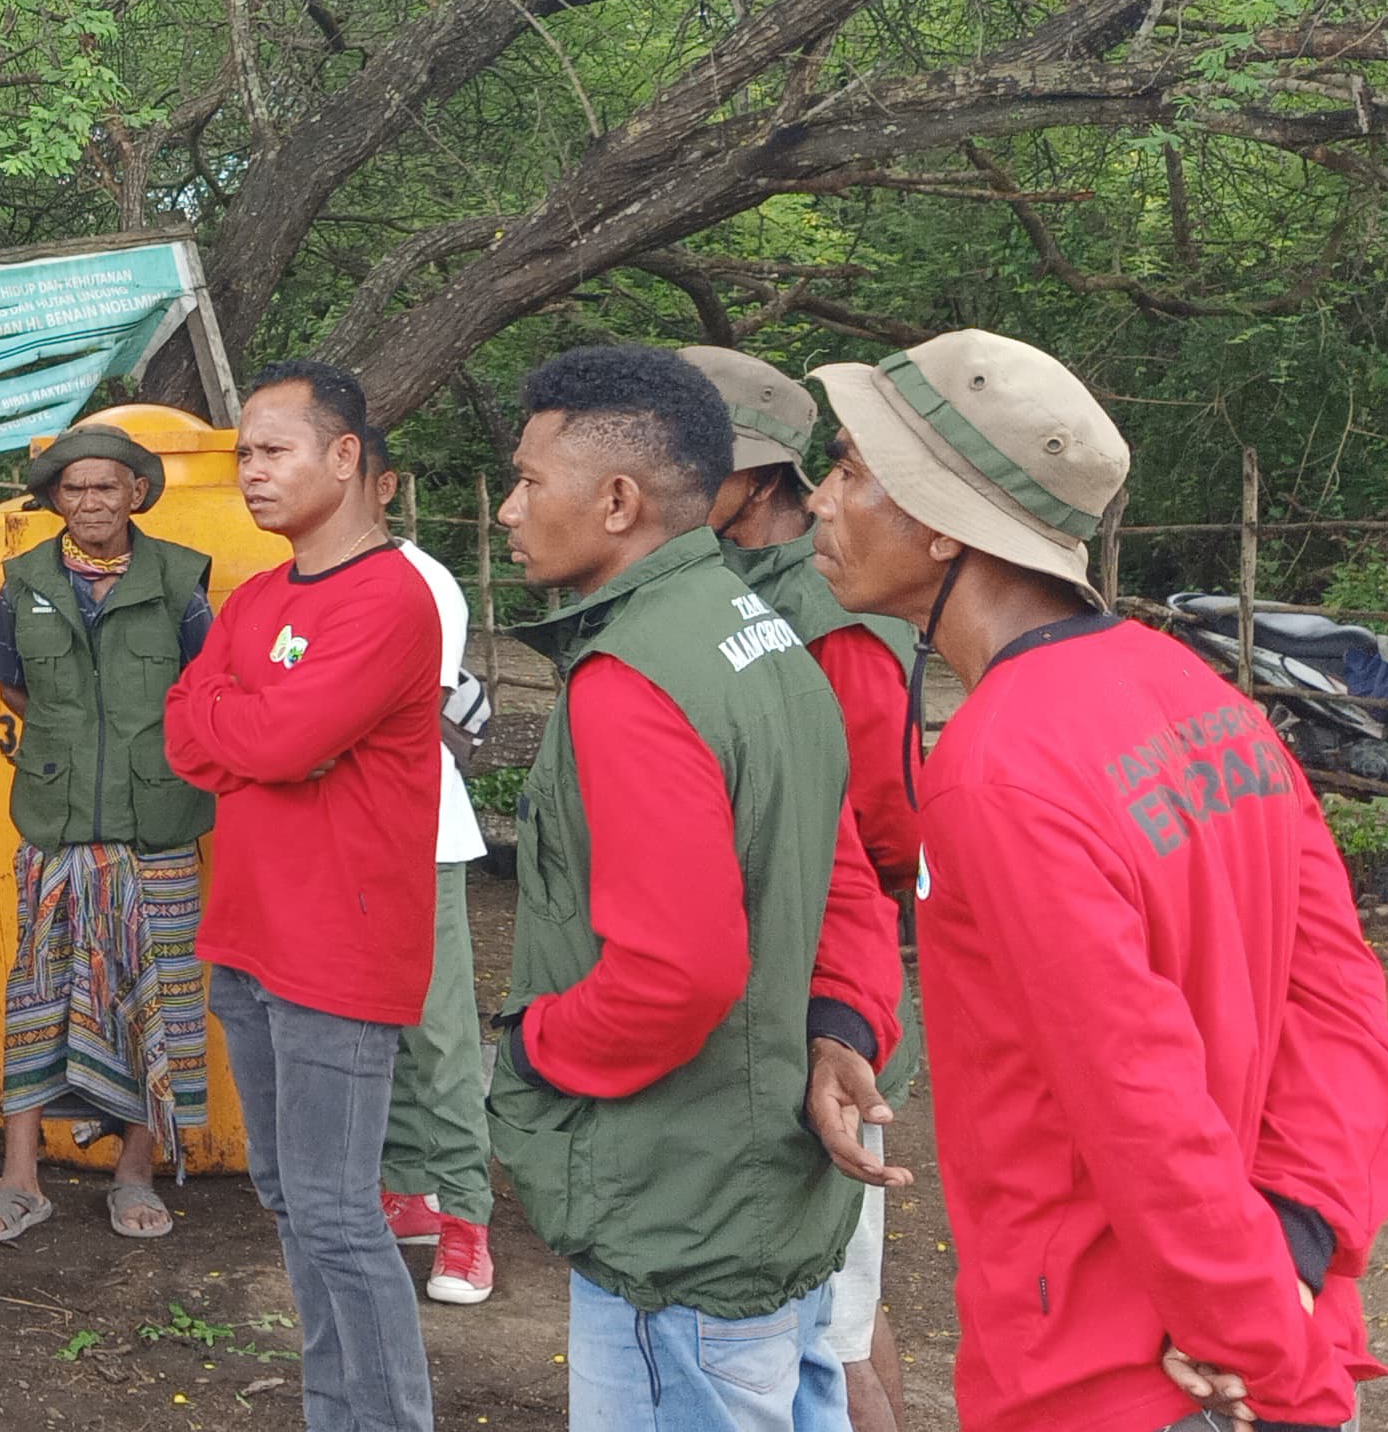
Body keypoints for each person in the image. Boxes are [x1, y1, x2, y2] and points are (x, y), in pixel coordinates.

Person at [805, 331, 1388, 1432]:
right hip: (1270, 1309)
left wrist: (1249, 1336)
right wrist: (1297, 1248)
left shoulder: (994, 771)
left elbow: (1135, 1089)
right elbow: (1340, 1002)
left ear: (943, 524)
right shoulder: (1202, 696)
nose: (818, 500)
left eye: (849, 469)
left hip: (1121, 1367)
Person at [488, 345, 877, 1432]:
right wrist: (844, 1023)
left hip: (679, 1203)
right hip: (768, 1187)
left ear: (617, 502)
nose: (509, 510)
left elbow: (676, 974)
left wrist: (531, 1050)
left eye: (528, 482)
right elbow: (844, 871)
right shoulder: (764, 631)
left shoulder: (634, 677)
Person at [165, 359, 440, 1432]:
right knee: (291, 1201)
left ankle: (388, 1420)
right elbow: (188, 731)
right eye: (244, 454)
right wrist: (259, 729)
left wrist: (257, 729)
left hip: (339, 949)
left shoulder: (391, 598)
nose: (251, 471)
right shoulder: (259, 595)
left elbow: (274, 741)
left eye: (272, 450)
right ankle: (340, 1413)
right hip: (248, 936)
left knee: (335, 1211)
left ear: (344, 456)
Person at [680, 345, 923, 1431]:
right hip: (760, 989)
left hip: (826, 993)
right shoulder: (724, 591)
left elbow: (887, 826)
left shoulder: (829, 614)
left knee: (834, 1324)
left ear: (755, 476)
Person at [0, 419, 216, 1246]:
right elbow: (11, 685)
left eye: (107, 486)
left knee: (156, 995)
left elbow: (209, 687)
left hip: (156, 827)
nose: (91, 501)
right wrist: (72, 742)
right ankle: (20, 1179)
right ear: (55, 500)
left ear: (136, 493)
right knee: (38, 995)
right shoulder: (24, 581)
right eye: (74, 488)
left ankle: (135, 1173)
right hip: (57, 822)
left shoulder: (179, 580)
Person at [377, 460, 498, 1309]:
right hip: (341, 843)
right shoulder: (288, 580)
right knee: (375, 1026)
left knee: (440, 1033)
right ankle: (405, 1187)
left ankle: (466, 1218)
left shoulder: (422, 580)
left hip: (423, 836)